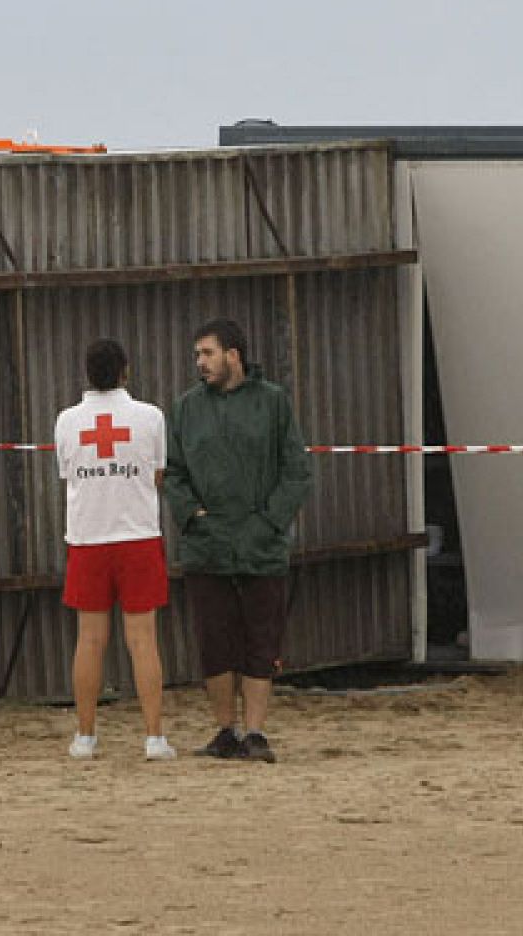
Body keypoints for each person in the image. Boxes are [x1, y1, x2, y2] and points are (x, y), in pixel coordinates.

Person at [163, 318, 312, 763]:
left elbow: (296, 470)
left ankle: (256, 732)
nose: (200, 363)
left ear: (234, 355)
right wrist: (192, 516)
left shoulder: (273, 403)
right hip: (207, 546)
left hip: (260, 545)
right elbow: (173, 471)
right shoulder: (187, 408)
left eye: (207, 353)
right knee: (214, 642)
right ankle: (224, 731)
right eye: (197, 355)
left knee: (260, 642)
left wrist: (270, 523)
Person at [54, 338, 176, 761]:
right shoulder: (150, 417)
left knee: (89, 640)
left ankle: (85, 737)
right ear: (126, 369)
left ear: (87, 372)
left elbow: (68, 474)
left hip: (88, 538)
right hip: (137, 536)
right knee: (143, 640)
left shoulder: (67, 421)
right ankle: (154, 737)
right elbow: (158, 474)